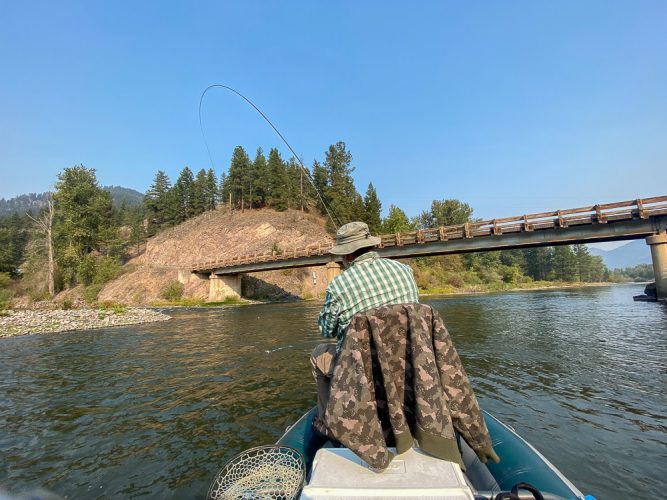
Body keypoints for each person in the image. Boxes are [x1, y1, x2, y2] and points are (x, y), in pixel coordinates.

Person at [310, 221, 420, 431]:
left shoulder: (339, 285)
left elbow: (326, 331)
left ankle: (328, 423)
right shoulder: (405, 271)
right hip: (406, 361)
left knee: (318, 355)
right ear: (371, 245)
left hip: (361, 367)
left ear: (348, 255)